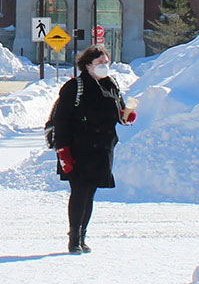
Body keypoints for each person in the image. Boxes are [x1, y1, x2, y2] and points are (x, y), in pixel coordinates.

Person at [51, 44, 137, 254]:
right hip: (79, 148)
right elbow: (60, 120)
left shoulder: (111, 84)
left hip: (102, 148)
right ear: (87, 65)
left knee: (90, 193)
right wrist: (62, 150)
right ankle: (74, 238)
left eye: (106, 62)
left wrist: (126, 116)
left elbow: (119, 110)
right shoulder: (75, 87)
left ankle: (83, 235)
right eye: (99, 63)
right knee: (80, 191)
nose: (104, 66)